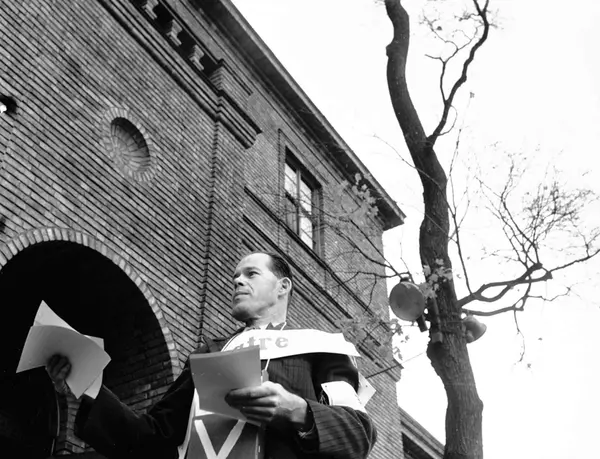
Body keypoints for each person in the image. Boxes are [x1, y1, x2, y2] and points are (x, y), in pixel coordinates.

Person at [46, 252, 376, 458]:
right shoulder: (209, 352)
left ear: (283, 286)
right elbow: (150, 438)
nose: (238, 281)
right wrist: (88, 387)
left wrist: (298, 410)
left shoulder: (319, 348)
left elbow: (359, 433)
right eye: (235, 277)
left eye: (251, 274)